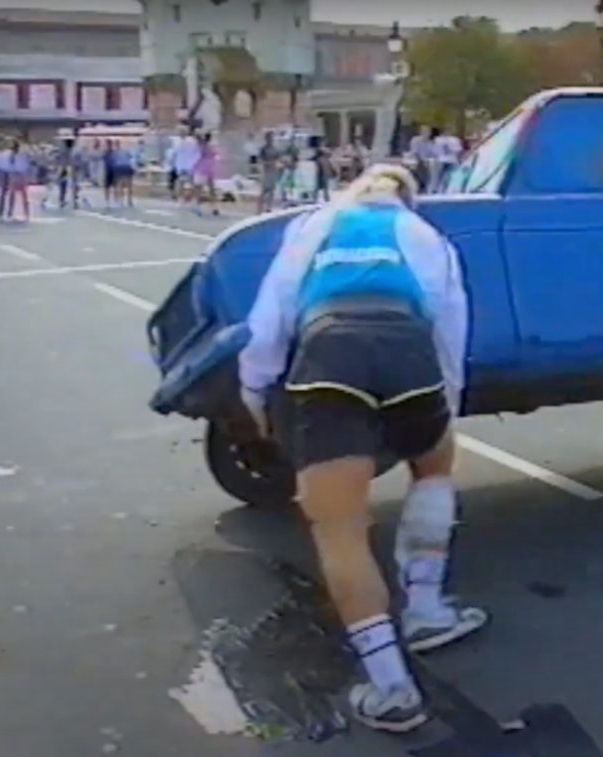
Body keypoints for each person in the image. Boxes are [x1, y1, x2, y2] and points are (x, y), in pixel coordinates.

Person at [237, 163, 487, 731]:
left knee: (340, 528)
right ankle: (426, 609)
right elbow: (451, 327)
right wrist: (445, 404)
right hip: (409, 350)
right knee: (433, 466)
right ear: (408, 199)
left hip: (330, 356)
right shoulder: (427, 237)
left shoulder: (314, 226)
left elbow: (269, 320)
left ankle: (392, 687)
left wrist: (253, 393)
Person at [193, 132, 220, 217]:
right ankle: (214, 207)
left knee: (199, 189)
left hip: (202, 168)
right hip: (210, 168)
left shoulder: (204, 146)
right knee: (211, 189)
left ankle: (199, 207)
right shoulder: (211, 147)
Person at [257, 131, 283, 214]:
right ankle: (260, 207)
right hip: (266, 171)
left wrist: (280, 165)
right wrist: (267, 164)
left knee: (272, 190)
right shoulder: (263, 149)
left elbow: (279, 159)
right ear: (266, 139)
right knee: (264, 190)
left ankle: (269, 207)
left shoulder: (275, 149)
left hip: (273, 171)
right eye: (269, 138)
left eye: (272, 138)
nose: (271, 139)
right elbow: (260, 160)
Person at [408, 125, 435, 194]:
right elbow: (415, 152)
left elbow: (433, 154)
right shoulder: (415, 140)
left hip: (426, 163)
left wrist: (429, 160)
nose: (427, 133)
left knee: (430, 169)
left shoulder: (430, 143)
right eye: (424, 131)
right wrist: (423, 160)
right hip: (416, 162)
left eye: (428, 132)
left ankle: (426, 189)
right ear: (421, 132)